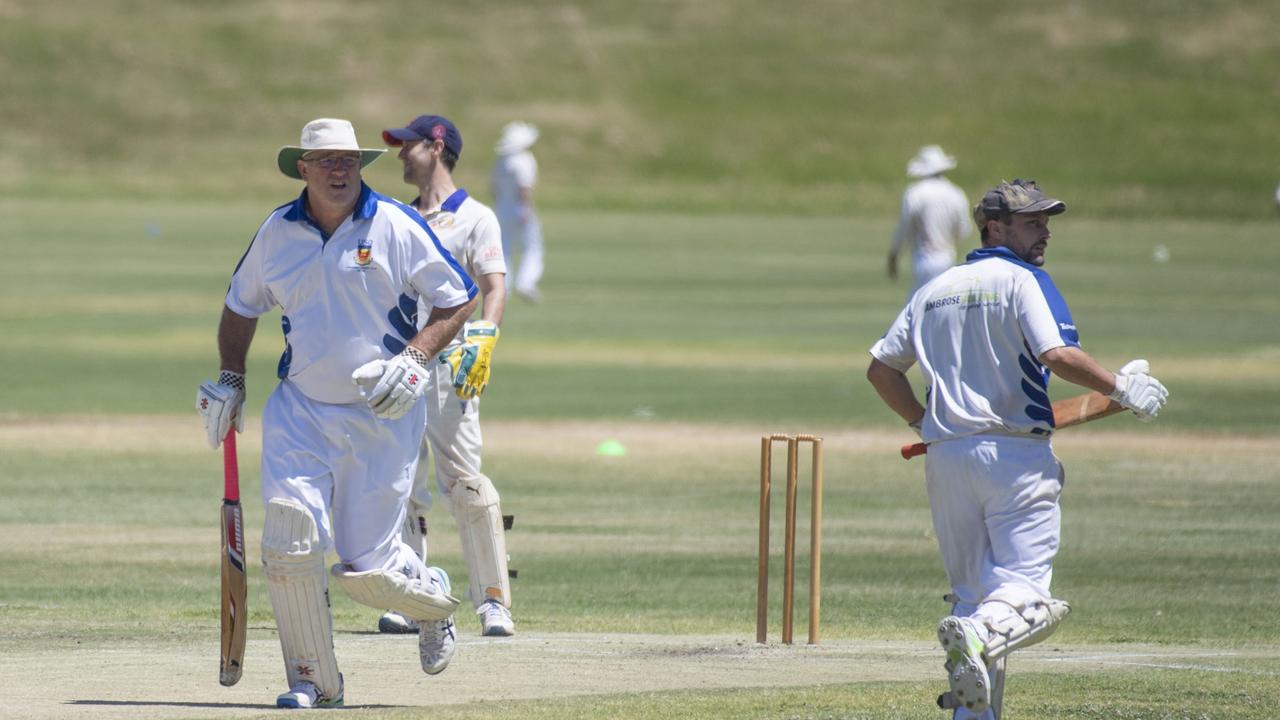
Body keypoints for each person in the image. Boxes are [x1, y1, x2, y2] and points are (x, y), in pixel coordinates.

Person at [196, 117, 479, 708]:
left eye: (348, 160)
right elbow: (239, 306)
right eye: (325, 160)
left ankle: (430, 596)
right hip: (300, 409)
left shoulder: (396, 225)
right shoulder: (278, 231)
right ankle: (313, 680)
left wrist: (415, 359)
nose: (338, 170)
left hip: (383, 411)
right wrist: (231, 378)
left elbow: (459, 298)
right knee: (290, 540)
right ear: (303, 168)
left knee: (367, 569)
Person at [865, 179, 1169, 719]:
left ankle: (972, 705)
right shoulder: (1023, 279)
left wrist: (923, 422)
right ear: (995, 228)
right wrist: (1120, 388)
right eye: (1033, 222)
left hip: (946, 460)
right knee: (1028, 599)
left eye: (1046, 221)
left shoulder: (935, 288)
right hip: (1015, 463)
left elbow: (881, 370)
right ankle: (979, 634)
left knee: (974, 598)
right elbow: (1056, 354)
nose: (1045, 231)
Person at [378, 114, 517, 638]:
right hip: (400, 367)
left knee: (463, 482)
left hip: (450, 369)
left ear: (436, 147)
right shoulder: (394, 217)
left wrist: (484, 337)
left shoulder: (476, 217)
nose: (399, 156)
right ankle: (413, 596)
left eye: (407, 145)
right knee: (401, 484)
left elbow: (493, 286)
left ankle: (493, 600)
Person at [887, 145, 972, 295]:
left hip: (924, 257)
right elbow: (964, 230)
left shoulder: (915, 193)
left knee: (917, 308)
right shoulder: (956, 193)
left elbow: (904, 229)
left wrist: (894, 255)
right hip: (948, 257)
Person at [491, 121, 544, 302]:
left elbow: (494, 189)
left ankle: (504, 285)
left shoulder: (500, 162)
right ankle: (526, 282)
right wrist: (526, 208)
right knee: (532, 246)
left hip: (502, 209)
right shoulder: (524, 160)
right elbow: (524, 188)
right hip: (519, 209)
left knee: (504, 247)